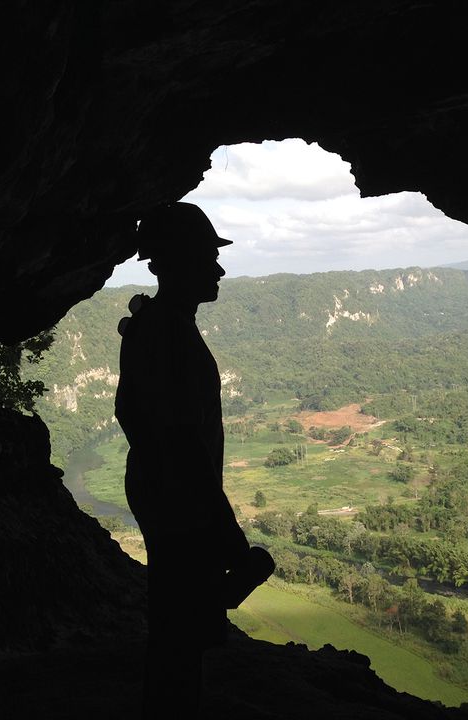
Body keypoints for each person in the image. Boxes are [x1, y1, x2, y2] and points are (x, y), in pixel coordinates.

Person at [114, 202, 274, 716]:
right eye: (209, 256)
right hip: (180, 503)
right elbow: (184, 447)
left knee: (176, 631)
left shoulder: (154, 326)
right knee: (180, 640)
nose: (220, 269)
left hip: (163, 495)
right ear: (177, 262)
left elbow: (133, 417)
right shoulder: (170, 334)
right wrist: (233, 546)